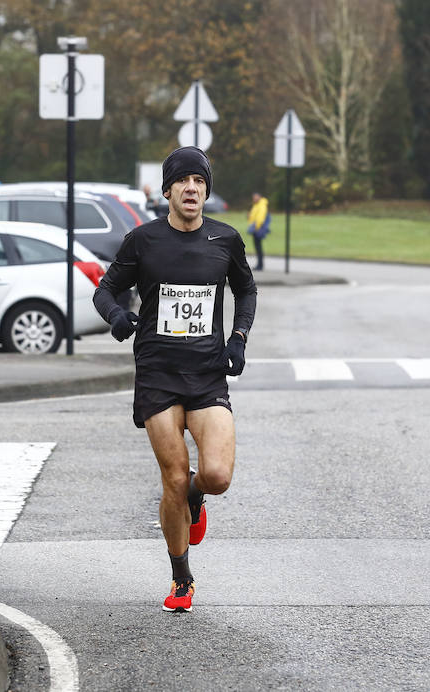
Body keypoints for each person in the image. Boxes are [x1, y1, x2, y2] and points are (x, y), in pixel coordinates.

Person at [93, 146, 257, 613]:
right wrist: (117, 316)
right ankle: (181, 577)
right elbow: (106, 288)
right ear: (167, 191)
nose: (192, 188)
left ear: (206, 190)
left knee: (217, 475)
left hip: (207, 376)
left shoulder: (225, 240)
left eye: (199, 181)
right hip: (158, 376)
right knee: (171, 475)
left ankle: (196, 496)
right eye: (182, 181)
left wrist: (239, 338)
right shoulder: (143, 241)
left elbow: (246, 289)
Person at [246, 192, 270, 271]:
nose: (254, 199)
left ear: (259, 197)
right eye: (253, 197)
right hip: (256, 228)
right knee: (258, 247)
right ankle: (259, 264)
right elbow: (253, 216)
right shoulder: (256, 205)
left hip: (258, 229)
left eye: (255, 197)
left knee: (259, 248)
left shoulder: (262, 205)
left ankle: (260, 265)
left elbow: (260, 218)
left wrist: (255, 228)